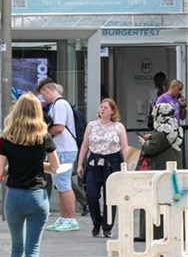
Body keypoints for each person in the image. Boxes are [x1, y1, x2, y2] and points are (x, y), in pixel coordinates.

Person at [0, 93, 60, 257]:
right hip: (37, 197)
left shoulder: (7, 137)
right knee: (33, 249)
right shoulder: (44, 137)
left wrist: (11, 168)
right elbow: (56, 167)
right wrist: (39, 166)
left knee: (16, 248)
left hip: (14, 196)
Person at [77, 99, 129, 238]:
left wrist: (127, 165)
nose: (102, 109)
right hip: (94, 161)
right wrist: (80, 164)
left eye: (106, 107)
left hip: (112, 162)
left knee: (111, 197)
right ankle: (96, 222)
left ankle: (107, 226)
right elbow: (84, 146)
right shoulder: (92, 125)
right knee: (91, 195)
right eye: (101, 107)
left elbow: (124, 147)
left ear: (112, 111)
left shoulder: (118, 126)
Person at [37, 81, 79, 232]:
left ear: (49, 90)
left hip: (64, 149)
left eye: (44, 93)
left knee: (64, 185)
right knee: (60, 185)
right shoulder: (58, 105)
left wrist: (44, 134)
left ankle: (71, 218)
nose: (44, 97)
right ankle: (64, 217)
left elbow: (59, 127)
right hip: (62, 149)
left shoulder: (60, 105)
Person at [138, 103, 184, 170]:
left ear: (159, 114)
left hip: (164, 168)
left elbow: (150, 149)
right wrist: (152, 136)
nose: (154, 118)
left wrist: (144, 143)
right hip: (176, 166)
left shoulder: (162, 129)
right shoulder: (176, 127)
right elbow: (166, 140)